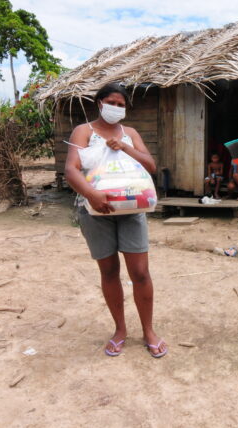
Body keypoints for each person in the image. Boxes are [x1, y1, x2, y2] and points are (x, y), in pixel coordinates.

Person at [65, 82, 167, 358]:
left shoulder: (130, 133)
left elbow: (150, 165)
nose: (116, 108)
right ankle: (120, 330)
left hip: (132, 211)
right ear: (100, 103)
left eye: (121, 105)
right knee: (109, 272)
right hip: (96, 212)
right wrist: (91, 194)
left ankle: (148, 330)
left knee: (140, 273)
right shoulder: (83, 131)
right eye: (112, 102)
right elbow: (71, 169)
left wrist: (124, 147)